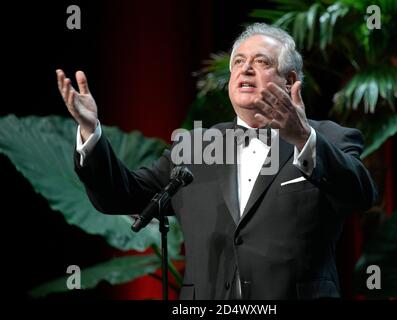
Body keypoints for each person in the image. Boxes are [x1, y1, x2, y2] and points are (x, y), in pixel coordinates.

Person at [56, 23, 377, 299]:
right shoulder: (196, 147)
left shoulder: (330, 138)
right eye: (238, 62)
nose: (245, 69)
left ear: (290, 80)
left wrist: (302, 138)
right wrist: (89, 130)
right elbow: (120, 195)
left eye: (261, 61)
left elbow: (360, 194)